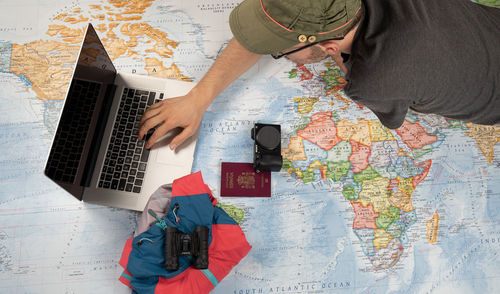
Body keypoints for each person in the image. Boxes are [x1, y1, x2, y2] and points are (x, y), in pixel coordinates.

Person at [139, 0, 500, 150]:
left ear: (328, 50)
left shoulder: (372, 81)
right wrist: (198, 98)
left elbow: (396, 117)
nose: (275, 54)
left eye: (280, 50)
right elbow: (277, 23)